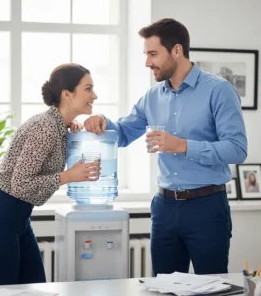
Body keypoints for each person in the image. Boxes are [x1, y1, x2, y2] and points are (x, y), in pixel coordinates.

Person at [80, 18, 247, 275]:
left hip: (207, 207)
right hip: (164, 208)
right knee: (163, 287)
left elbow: (237, 149)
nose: (148, 62)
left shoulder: (219, 91)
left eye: (153, 54)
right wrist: (103, 122)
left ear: (177, 50)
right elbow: (123, 133)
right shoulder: (152, 96)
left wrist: (182, 145)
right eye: (146, 54)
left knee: (211, 287)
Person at [0, 63, 101, 286]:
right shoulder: (46, 127)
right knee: (2, 293)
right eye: (88, 88)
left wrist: (72, 129)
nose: (95, 95)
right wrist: (68, 176)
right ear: (67, 94)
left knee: (34, 287)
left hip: (18, 217)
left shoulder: (58, 126)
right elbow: (20, 184)